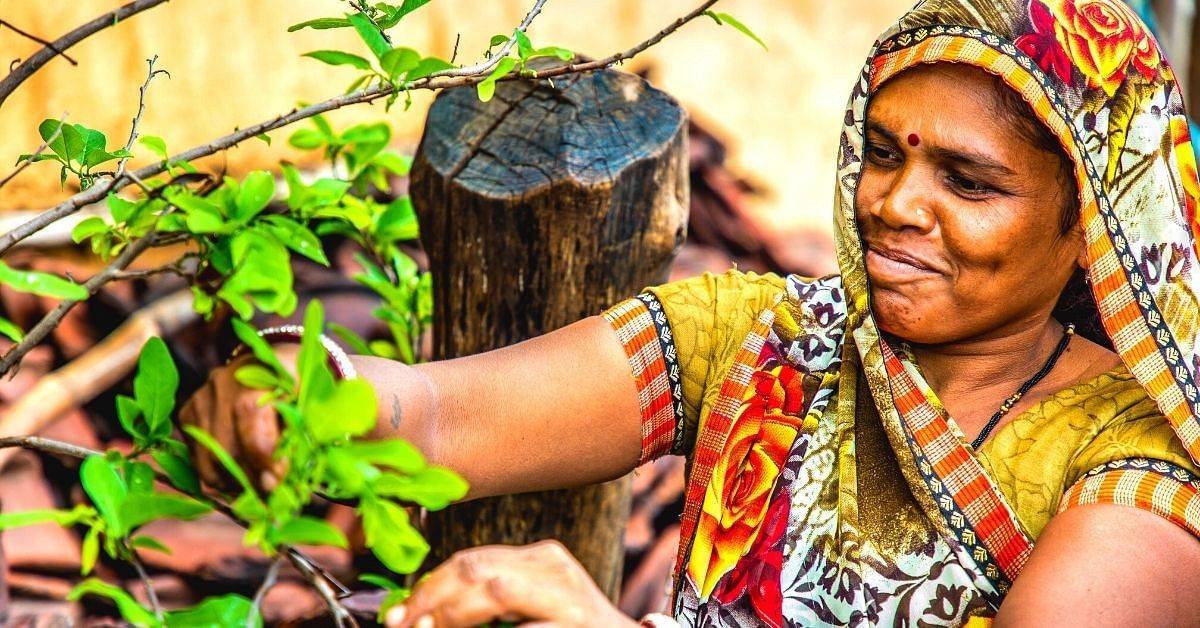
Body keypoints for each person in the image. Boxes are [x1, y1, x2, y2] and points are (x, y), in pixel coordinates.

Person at [181, 0, 1200, 625]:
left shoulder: (1143, 468)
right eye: (884, 152)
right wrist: (303, 386)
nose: (893, 204)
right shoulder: (769, 340)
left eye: (969, 183)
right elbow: (439, 417)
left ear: (1090, 228)